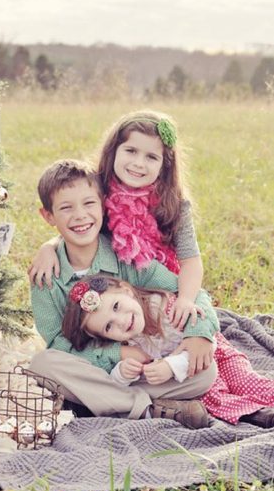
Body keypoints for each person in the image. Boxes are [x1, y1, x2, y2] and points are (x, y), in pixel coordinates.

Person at [28, 158, 218, 428]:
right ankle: (148, 410)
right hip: (95, 368)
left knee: (205, 371)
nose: (80, 216)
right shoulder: (46, 276)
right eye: (66, 208)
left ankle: (100, 403)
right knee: (43, 365)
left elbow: (188, 291)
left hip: (146, 368)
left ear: (103, 203)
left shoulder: (126, 255)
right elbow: (58, 344)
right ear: (48, 216)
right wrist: (117, 354)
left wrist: (201, 332)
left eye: (89, 204)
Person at [29, 109, 202, 331]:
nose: (139, 163)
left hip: (163, 286)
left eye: (151, 157)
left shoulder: (174, 204)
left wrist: (186, 299)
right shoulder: (100, 190)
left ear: (164, 165)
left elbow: (191, 260)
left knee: (194, 337)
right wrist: (49, 246)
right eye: (131, 150)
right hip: (115, 299)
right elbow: (79, 226)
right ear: (114, 152)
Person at [62, 274, 274, 428]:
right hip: (191, 376)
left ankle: (262, 400)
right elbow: (119, 379)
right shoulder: (129, 342)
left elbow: (201, 344)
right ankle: (256, 414)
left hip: (213, 355)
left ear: (127, 291)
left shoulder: (164, 308)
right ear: (106, 338)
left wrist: (171, 366)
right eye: (109, 326)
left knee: (245, 380)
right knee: (211, 397)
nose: (122, 321)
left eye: (117, 306)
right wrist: (122, 372)